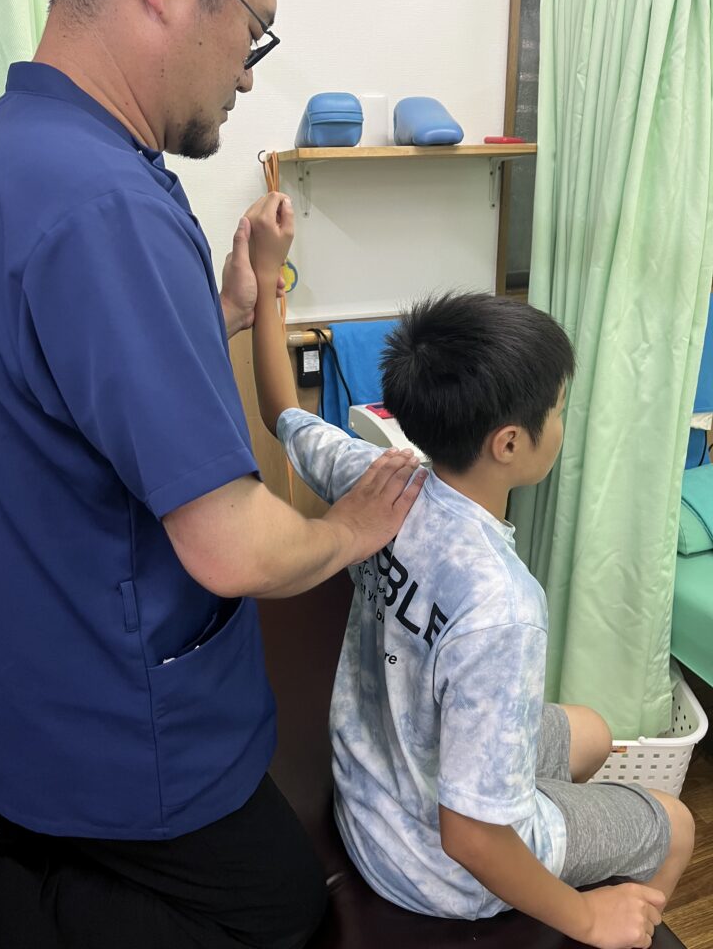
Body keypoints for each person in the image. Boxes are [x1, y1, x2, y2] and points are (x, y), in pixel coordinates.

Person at [0, 0, 425, 947]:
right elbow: (232, 544)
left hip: (22, 696)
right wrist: (349, 527)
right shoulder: (107, 202)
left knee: (58, 862)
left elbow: (73, 389)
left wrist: (226, 313)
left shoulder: (11, 153)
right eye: (254, 31)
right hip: (118, 726)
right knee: (271, 909)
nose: (248, 77)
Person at [250, 253, 696, 949]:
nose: (562, 423)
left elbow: (281, 410)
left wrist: (265, 282)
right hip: (438, 871)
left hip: (369, 800)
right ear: (510, 442)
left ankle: (552, 830)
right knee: (676, 825)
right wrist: (587, 917)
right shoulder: (503, 607)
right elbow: (470, 837)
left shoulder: (375, 477)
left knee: (592, 731)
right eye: (559, 410)